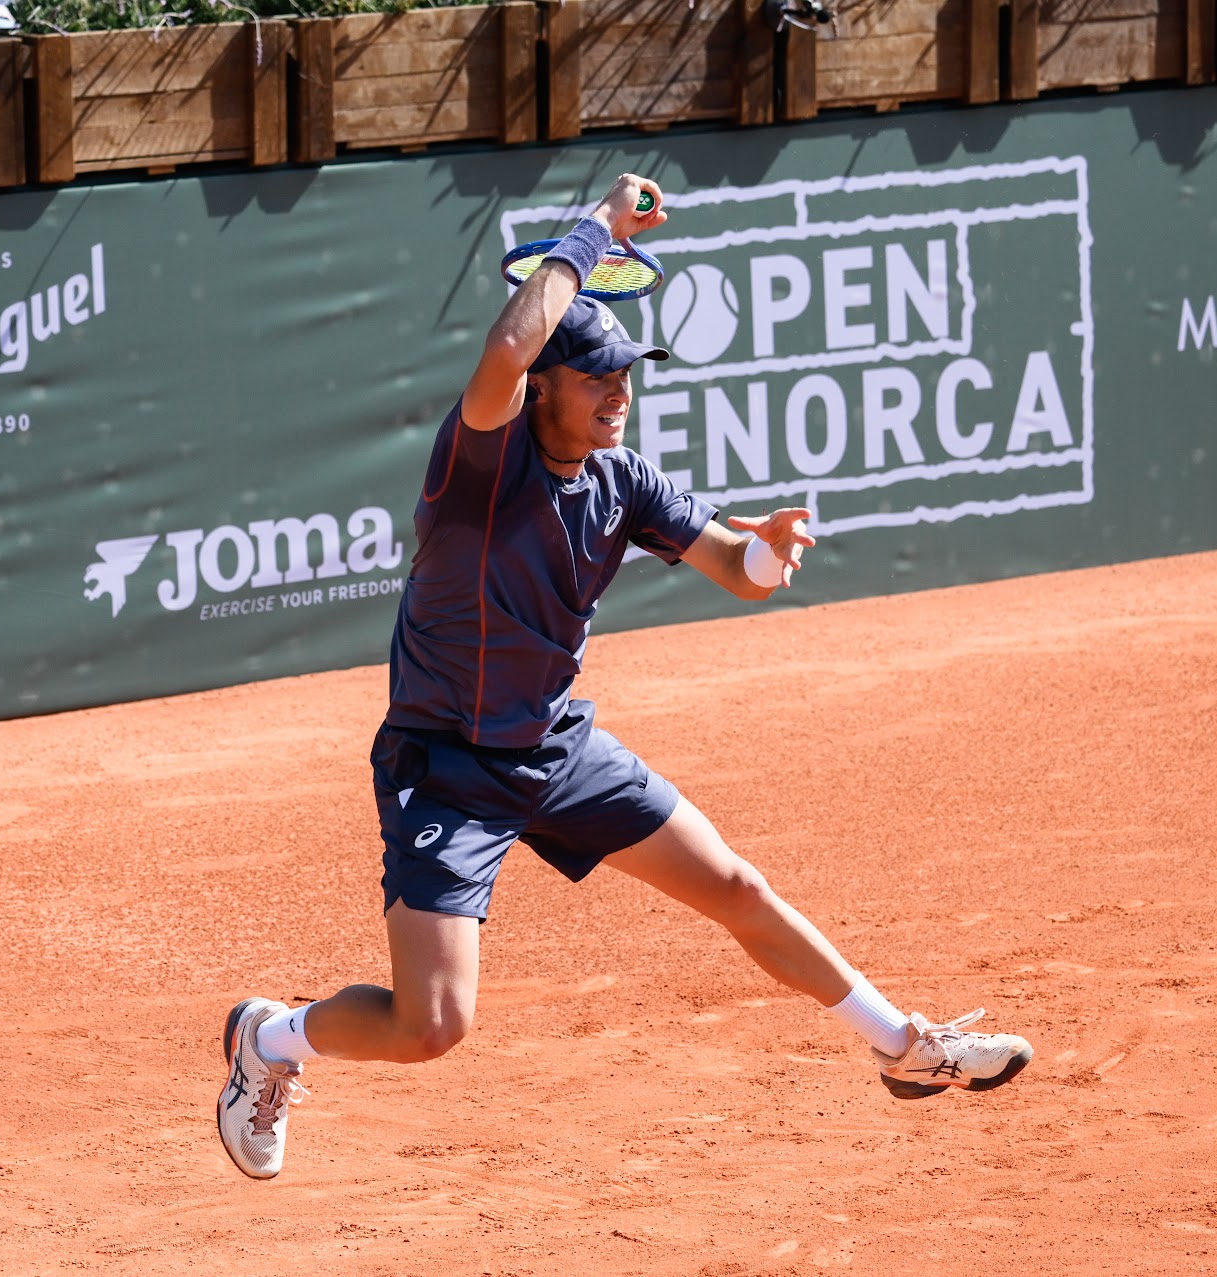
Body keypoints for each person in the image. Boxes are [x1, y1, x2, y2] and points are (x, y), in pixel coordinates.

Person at [216, 174, 1032, 1179]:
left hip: (554, 747)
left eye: (628, 376)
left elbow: (735, 569)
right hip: (446, 768)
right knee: (432, 1025)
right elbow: (507, 347)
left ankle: (901, 1042)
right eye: (597, 376)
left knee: (736, 882)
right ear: (542, 391)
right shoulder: (479, 468)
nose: (620, 393)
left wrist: (771, 551)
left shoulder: (623, 478)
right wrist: (595, 229)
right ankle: (271, 1040)